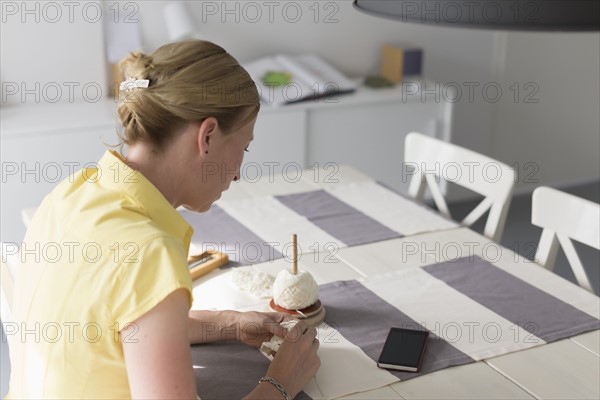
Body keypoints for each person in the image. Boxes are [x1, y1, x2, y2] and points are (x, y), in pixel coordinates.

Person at [6, 39, 320, 399]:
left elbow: (120, 326)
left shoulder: (72, 193)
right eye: (243, 148)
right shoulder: (150, 253)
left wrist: (230, 323)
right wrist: (282, 380)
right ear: (208, 135)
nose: (238, 174)